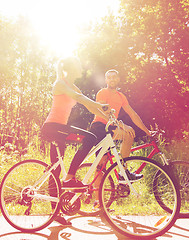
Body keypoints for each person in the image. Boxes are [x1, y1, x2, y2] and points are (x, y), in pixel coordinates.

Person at [40, 56, 108, 225]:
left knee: (55, 169)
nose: (81, 69)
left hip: (60, 129)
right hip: (52, 127)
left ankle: (54, 212)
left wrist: (108, 116)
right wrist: (101, 105)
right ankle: (70, 177)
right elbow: (83, 100)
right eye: (78, 66)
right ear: (71, 69)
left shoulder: (74, 86)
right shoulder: (60, 84)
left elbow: (88, 105)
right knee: (90, 137)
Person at [90, 69, 151, 183]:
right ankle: (94, 194)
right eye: (109, 77)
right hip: (99, 127)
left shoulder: (121, 96)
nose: (112, 79)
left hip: (109, 127)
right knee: (101, 165)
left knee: (103, 163)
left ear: (118, 79)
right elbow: (104, 112)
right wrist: (122, 125)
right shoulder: (103, 92)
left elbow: (133, 114)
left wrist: (147, 131)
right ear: (106, 80)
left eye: (114, 77)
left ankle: (123, 172)